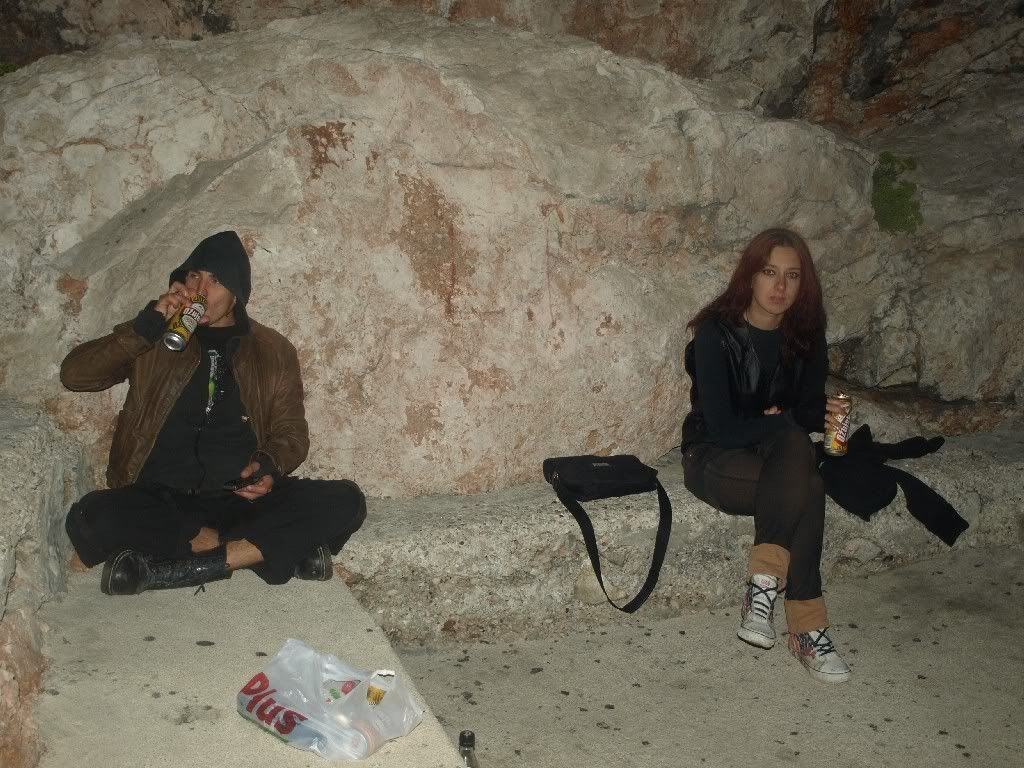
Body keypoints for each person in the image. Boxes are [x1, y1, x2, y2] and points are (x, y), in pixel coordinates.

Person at [60, 231, 366, 595]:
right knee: (90, 517)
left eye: (216, 280)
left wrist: (268, 466)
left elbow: (291, 433)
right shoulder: (154, 336)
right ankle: (261, 551)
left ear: (237, 293)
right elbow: (75, 376)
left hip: (237, 500)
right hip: (161, 498)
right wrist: (145, 327)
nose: (201, 290)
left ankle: (176, 566)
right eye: (195, 276)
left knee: (347, 500)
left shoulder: (272, 350)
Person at [680, 227, 851, 683]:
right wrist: (780, 421)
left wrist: (823, 416)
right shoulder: (716, 334)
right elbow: (723, 428)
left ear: (803, 283)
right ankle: (807, 627)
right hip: (714, 457)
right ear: (750, 277)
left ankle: (763, 588)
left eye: (792, 276)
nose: (780, 287)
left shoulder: (807, 336)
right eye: (770, 272)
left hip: (776, 456)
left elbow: (805, 410)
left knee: (800, 458)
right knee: (807, 482)